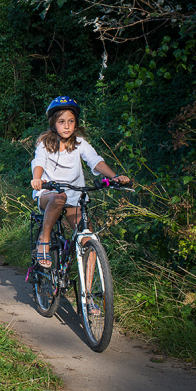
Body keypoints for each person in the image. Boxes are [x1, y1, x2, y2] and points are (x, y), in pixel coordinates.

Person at [29, 96, 130, 269]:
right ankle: (44, 241)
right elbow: (38, 162)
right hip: (48, 194)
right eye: (61, 121)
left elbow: (95, 161)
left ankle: (88, 294)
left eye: (71, 121)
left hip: (74, 198)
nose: (67, 126)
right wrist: (37, 179)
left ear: (76, 123)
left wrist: (114, 177)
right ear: (53, 123)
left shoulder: (80, 143)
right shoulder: (44, 144)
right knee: (59, 197)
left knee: (88, 239)